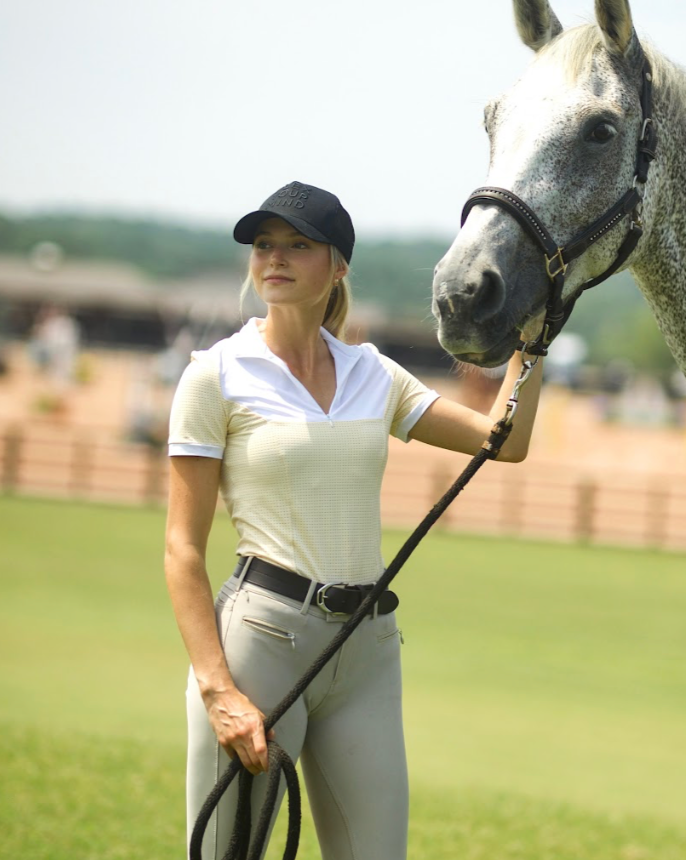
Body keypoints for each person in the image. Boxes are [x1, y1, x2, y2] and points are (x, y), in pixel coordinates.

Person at [164, 181, 543, 860]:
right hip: (260, 647)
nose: (273, 258)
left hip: (365, 653)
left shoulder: (374, 374)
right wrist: (218, 689)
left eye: (297, 245)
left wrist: (533, 339)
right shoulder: (215, 375)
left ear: (337, 265)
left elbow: (502, 441)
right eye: (263, 245)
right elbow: (181, 549)